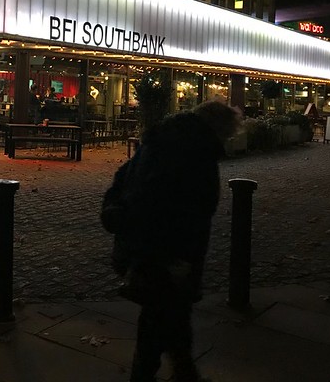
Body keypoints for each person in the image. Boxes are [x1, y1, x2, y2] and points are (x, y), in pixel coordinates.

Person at [101, 100, 242, 382]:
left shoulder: (161, 140)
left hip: (146, 246)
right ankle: (172, 372)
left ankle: (178, 370)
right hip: (166, 253)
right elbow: (191, 209)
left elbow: (123, 179)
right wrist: (178, 256)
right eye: (228, 134)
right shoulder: (197, 153)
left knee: (164, 315)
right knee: (167, 314)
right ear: (218, 128)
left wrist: (118, 213)